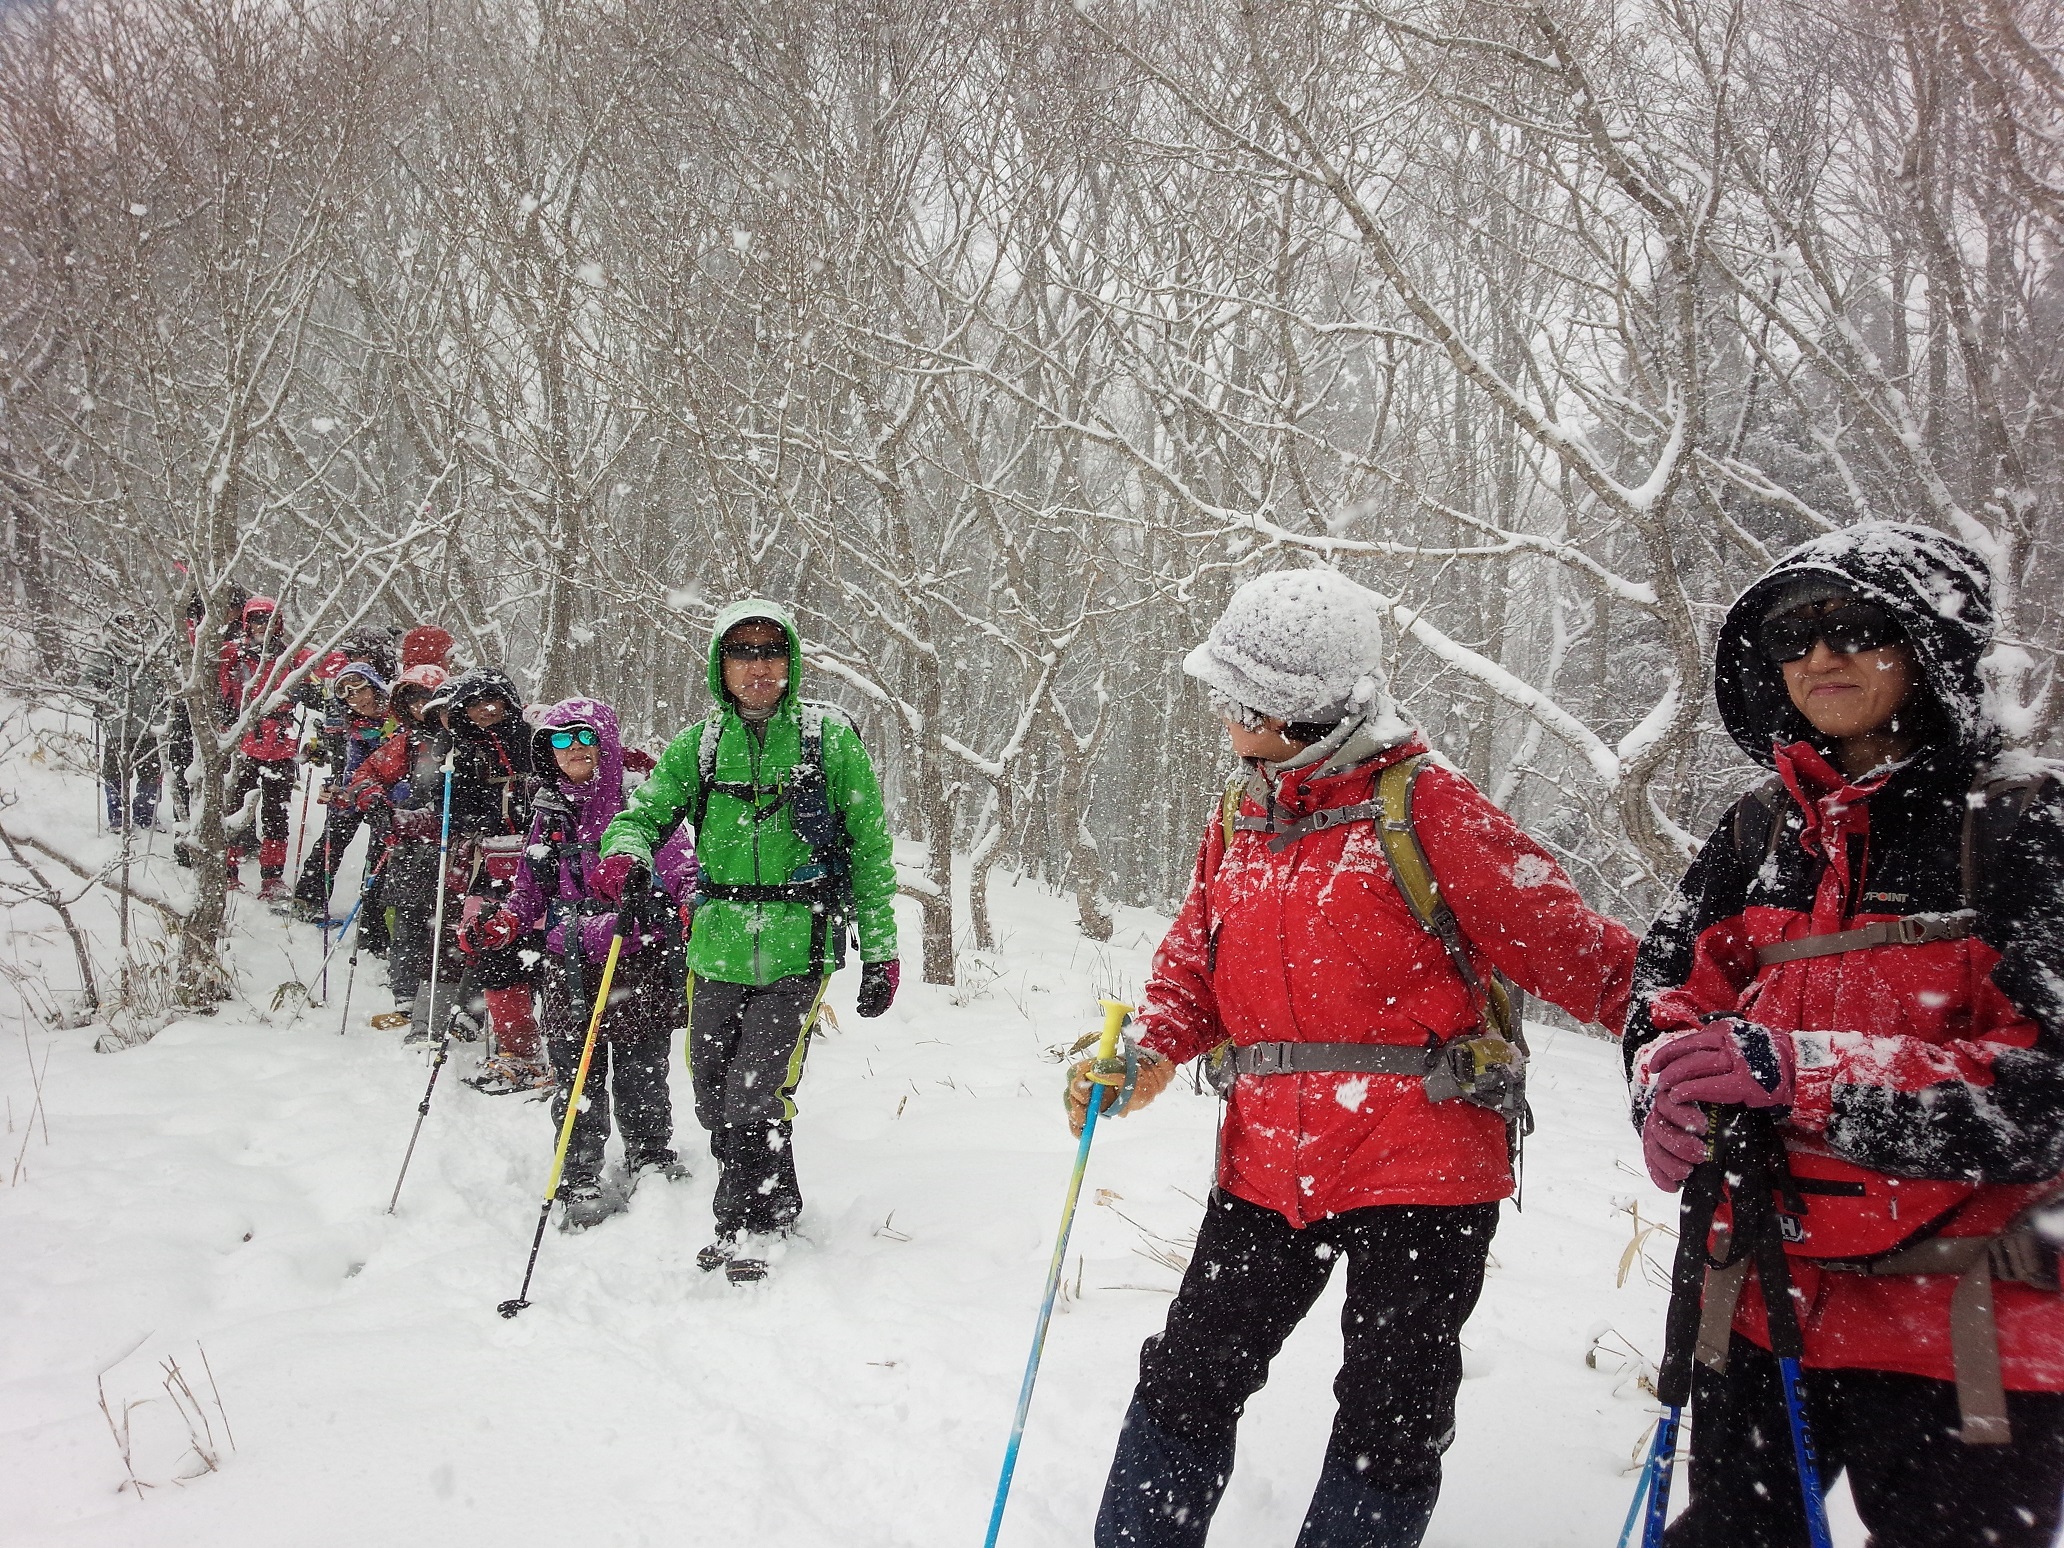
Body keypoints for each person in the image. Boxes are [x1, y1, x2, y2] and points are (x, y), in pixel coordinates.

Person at [1075, 568, 1637, 1548]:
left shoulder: (1427, 808)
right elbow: (1194, 967)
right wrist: (1147, 1050)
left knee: (1389, 1413)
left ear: (1300, 708)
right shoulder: (1241, 817)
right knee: (1188, 1376)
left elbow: (1570, 946)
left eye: (1238, 694)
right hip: (1267, 1165)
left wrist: (1695, 1022)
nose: (1221, 711)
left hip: (1422, 1170)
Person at [1626, 522, 2064, 1547]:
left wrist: (1804, 1074)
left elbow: (2045, 1092)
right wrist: (1662, 1089)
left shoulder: (2023, 830)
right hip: (1764, 1309)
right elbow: (1665, 993)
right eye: (1794, 634)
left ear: (1932, 643)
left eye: (1859, 627)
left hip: (1967, 1334)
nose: (1821, 657)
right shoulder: (1757, 832)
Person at [600, 599, 899, 1284]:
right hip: (716, 945)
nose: (758, 666)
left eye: (770, 652)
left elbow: (871, 849)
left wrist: (880, 950)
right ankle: (775, 1195)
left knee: (755, 1089)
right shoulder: (699, 745)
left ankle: (749, 1221)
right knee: (712, 1093)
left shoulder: (828, 741)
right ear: (721, 665)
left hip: (800, 944)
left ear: (789, 662)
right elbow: (642, 816)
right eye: (743, 653)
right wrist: (626, 855)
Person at [463, 699, 697, 1224]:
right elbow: (529, 889)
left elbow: (684, 870)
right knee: (578, 1074)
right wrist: (506, 922)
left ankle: (649, 1153)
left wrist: (682, 904)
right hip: (568, 959)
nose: (573, 751)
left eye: (583, 738)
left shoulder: (642, 802)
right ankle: (579, 1170)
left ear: (604, 743)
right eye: (559, 741)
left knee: (641, 1069)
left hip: (636, 955)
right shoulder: (548, 816)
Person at [427, 668, 540, 1060]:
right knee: (490, 945)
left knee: (542, 945)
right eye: (474, 703)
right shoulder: (460, 751)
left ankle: (556, 1040)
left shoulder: (534, 742)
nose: (486, 710)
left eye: (493, 700)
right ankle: (515, 1042)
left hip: (539, 860)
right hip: (488, 863)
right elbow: (453, 808)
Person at [346, 663, 447, 1032]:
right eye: (413, 700)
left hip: (457, 844)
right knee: (408, 920)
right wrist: (374, 802)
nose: (421, 708)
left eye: (427, 699)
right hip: (409, 841)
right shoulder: (407, 743)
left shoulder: (465, 739)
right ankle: (406, 997)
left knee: (449, 926)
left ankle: (451, 1000)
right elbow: (364, 775)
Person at [217, 596, 318, 899]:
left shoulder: (290, 656)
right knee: (234, 811)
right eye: (258, 621)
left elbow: (320, 664)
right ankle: (227, 871)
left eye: (269, 621)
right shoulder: (234, 653)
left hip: (281, 747)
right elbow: (220, 685)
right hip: (244, 744)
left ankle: (272, 878)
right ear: (247, 624)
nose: (263, 627)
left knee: (276, 816)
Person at [290, 663, 397, 934]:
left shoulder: (398, 715)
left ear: (374, 687)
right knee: (332, 838)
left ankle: (374, 920)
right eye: (349, 696)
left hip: (391, 795)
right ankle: (309, 898)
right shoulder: (355, 727)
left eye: (361, 691)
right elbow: (354, 765)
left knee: (380, 852)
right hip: (360, 788)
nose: (358, 700)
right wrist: (346, 794)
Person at [82, 613, 171, 830]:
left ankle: (145, 814)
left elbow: (168, 682)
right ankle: (118, 816)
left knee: (151, 776)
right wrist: (98, 697)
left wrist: (164, 704)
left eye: (135, 622)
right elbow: (86, 683)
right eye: (126, 623)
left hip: (150, 726)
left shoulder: (153, 650)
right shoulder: (106, 652)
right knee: (114, 775)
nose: (131, 628)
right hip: (117, 726)